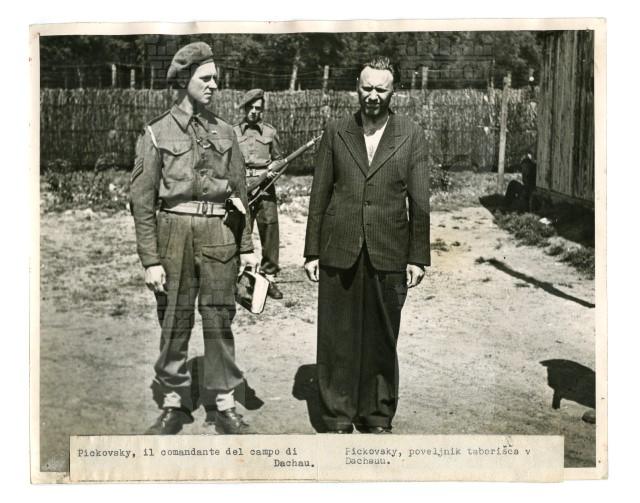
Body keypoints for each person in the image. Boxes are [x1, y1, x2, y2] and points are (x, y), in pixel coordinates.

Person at [130, 41, 258, 435]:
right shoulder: (156, 133)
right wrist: (151, 260)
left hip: (220, 233)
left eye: (216, 78)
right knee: (175, 318)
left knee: (219, 318)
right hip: (174, 234)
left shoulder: (226, 132)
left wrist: (246, 247)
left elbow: (241, 194)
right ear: (185, 79)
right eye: (206, 78)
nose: (214, 85)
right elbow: (142, 202)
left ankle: (224, 404)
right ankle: (174, 402)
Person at [303, 56, 431, 434]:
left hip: (389, 248)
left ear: (394, 92)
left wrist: (417, 257)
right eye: (366, 88)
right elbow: (319, 193)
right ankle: (338, 413)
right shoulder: (336, 131)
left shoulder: (411, 133)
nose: (372, 96)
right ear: (356, 88)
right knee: (337, 335)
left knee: (381, 336)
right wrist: (312, 251)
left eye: (381, 89)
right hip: (339, 247)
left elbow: (420, 201)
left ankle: (376, 413)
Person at [233, 89, 284, 299]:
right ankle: (241, 279)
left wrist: (272, 170)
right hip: (241, 189)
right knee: (239, 230)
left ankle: (269, 277)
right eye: (251, 108)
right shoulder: (233, 133)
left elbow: (279, 159)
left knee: (270, 230)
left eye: (258, 108)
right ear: (245, 109)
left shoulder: (270, 133)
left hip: (265, 189)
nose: (254, 112)